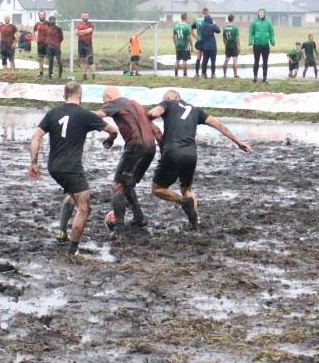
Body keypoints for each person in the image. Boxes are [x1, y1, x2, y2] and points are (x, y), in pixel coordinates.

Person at [28, 81, 118, 254]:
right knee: (84, 208)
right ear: (81, 96)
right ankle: (73, 251)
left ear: (64, 96)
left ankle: (61, 231)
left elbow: (36, 136)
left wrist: (33, 163)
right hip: (71, 168)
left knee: (73, 195)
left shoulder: (52, 113)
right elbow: (113, 131)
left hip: (53, 167)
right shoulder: (85, 115)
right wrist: (111, 140)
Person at [147, 90, 253, 229]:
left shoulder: (168, 103)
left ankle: (183, 202)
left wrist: (144, 117)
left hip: (173, 152)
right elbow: (218, 125)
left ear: (170, 98)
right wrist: (238, 142)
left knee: (157, 189)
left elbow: (153, 114)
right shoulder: (196, 111)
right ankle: (195, 224)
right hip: (191, 154)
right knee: (186, 188)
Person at [96, 86, 161, 234]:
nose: (105, 105)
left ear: (108, 96)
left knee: (118, 185)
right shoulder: (136, 105)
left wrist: (77, 117)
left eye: (105, 102)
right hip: (150, 148)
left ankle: (119, 227)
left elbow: (96, 116)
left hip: (135, 147)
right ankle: (140, 218)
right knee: (128, 184)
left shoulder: (115, 103)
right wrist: (164, 154)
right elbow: (156, 130)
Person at [248, 8, 275, 83]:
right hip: (256, 44)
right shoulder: (254, 22)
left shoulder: (268, 23)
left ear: (265, 14)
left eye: (263, 12)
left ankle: (265, 77)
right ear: (258, 13)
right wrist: (250, 43)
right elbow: (251, 33)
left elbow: (272, 33)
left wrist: (272, 43)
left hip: (265, 45)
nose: (261, 13)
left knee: (265, 62)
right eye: (260, 12)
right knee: (256, 61)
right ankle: (255, 77)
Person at [75, 11, 96, 80]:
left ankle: (93, 76)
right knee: (82, 60)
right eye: (84, 16)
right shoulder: (78, 24)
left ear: (88, 17)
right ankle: (84, 75)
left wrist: (80, 32)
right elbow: (76, 32)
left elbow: (89, 31)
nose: (85, 17)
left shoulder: (90, 24)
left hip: (88, 44)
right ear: (81, 17)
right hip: (80, 44)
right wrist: (83, 32)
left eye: (86, 16)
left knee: (90, 60)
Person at [0, 14, 18, 81]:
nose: (7, 19)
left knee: (11, 60)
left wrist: (15, 43)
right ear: (4, 19)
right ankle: (5, 73)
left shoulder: (13, 27)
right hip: (3, 46)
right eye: (6, 18)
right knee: (3, 59)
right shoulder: (1, 26)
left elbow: (18, 34)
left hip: (10, 46)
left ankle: (13, 73)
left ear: (10, 19)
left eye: (8, 18)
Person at [172, 13, 194, 77]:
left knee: (177, 60)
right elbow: (189, 38)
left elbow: (173, 36)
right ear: (186, 17)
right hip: (185, 45)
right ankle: (185, 74)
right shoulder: (187, 27)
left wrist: (175, 44)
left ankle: (176, 74)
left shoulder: (176, 26)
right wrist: (192, 46)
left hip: (178, 45)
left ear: (181, 18)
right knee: (185, 60)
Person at [190, 9, 208, 77]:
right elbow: (214, 26)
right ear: (206, 13)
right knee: (205, 57)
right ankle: (203, 73)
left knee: (199, 57)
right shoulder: (207, 20)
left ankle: (197, 73)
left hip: (199, 41)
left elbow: (191, 30)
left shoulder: (197, 20)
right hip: (205, 41)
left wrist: (196, 37)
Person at [46, 15, 64, 79]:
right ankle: (50, 75)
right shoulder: (47, 28)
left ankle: (60, 75)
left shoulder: (58, 28)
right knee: (50, 61)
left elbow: (61, 38)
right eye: (50, 21)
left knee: (59, 61)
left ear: (55, 21)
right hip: (50, 47)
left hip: (56, 47)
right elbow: (47, 36)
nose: (52, 22)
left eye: (53, 21)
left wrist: (57, 43)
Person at [33, 11, 49, 77]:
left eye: (43, 15)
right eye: (40, 15)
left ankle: (50, 72)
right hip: (40, 44)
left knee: (49, 58)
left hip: (48, 44)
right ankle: (41, 73)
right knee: (40, 58)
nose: (42, 16)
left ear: (45, 16)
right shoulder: (37, 24)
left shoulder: (48, 23)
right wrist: (35, 38)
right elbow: (34, 31)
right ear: (39, 16)